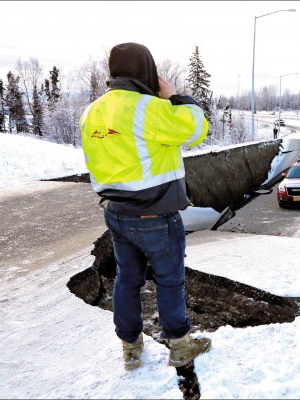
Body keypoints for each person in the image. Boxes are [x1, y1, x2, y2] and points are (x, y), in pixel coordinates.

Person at [79, 42, 211, 371]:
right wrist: (175, 95)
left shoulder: (92, 111)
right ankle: (180, 347)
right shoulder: (147, 108)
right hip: (154, 214)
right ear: (146, 70)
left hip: (115, 212)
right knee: (169, 281)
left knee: (127, 279)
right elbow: (196, 129)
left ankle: (130, 349)